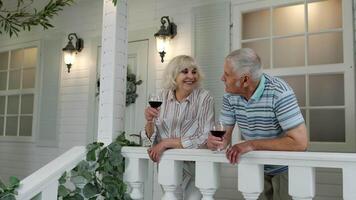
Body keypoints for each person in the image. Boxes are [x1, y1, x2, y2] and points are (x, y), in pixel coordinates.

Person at [207, 48, 308, 200]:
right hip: (256, 166)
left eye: (227, 75)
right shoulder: (230, 95)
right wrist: (214, 143)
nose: (222, 78)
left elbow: (300, 143)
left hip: (287, 168)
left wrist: (251, 144)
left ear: (245, 80)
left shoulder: (279, 92)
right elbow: (223, 138)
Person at [142, 55, 214, 200]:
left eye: (194, 72)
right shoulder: (160, 97)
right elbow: (150, 140)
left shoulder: (204, 98)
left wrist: (166, 143)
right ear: (174, 75)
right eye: (185, 71)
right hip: (168, 165)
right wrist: (149, 121)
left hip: (197, 168)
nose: (191, 76)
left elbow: (204, 138)